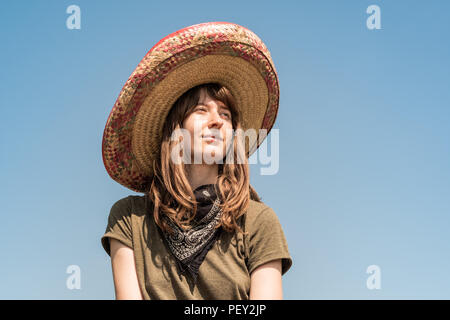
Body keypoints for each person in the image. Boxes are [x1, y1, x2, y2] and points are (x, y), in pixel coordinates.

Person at [100, 22, 292, 300]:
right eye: (201, 110)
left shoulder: (258, 221)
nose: (216, 120)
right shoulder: (130, 218)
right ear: (175, 131)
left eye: (225, 114)